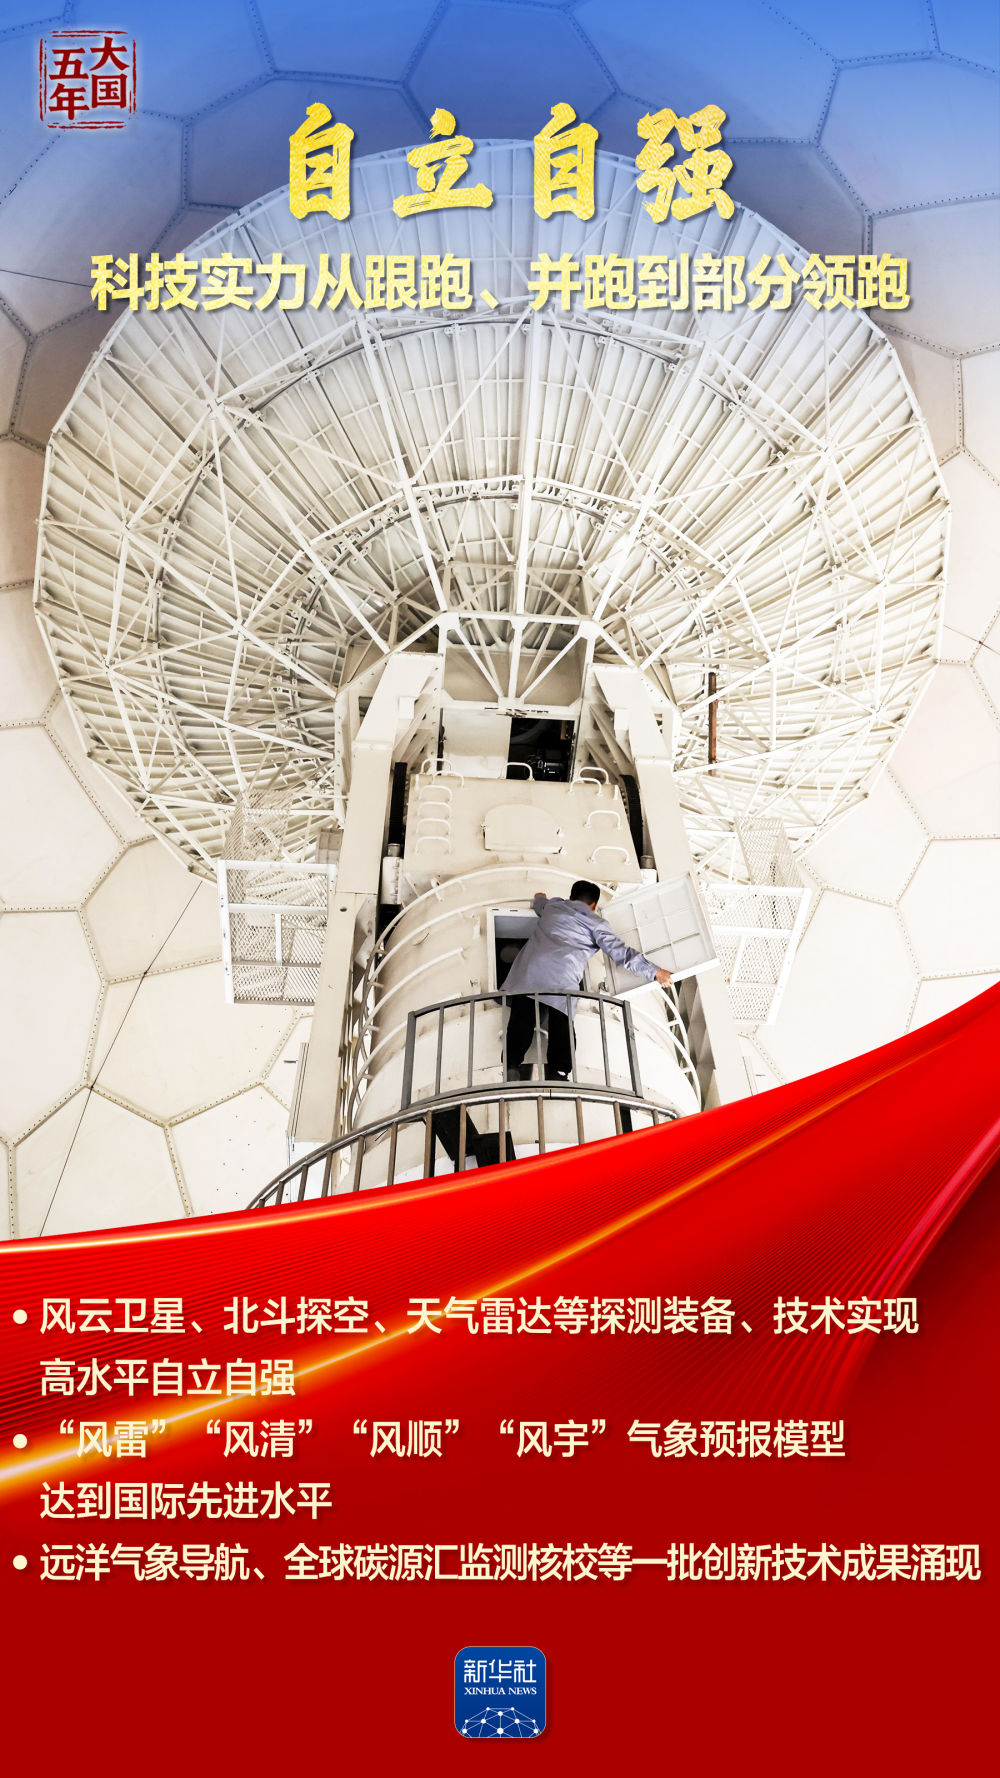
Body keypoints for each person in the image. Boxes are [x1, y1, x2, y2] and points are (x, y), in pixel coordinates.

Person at [500, 880, 672, 1081]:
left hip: (529, 974)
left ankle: (511, 1065)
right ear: (594, 905)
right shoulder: (596, 924)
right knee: (561, 1025)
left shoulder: (554, 907)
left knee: (521, 1018)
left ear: (571, 896)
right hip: (561, 978)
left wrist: (539, 896)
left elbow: (540, 904)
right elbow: (621, 953)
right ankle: (558, 1072)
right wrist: (655, 971)